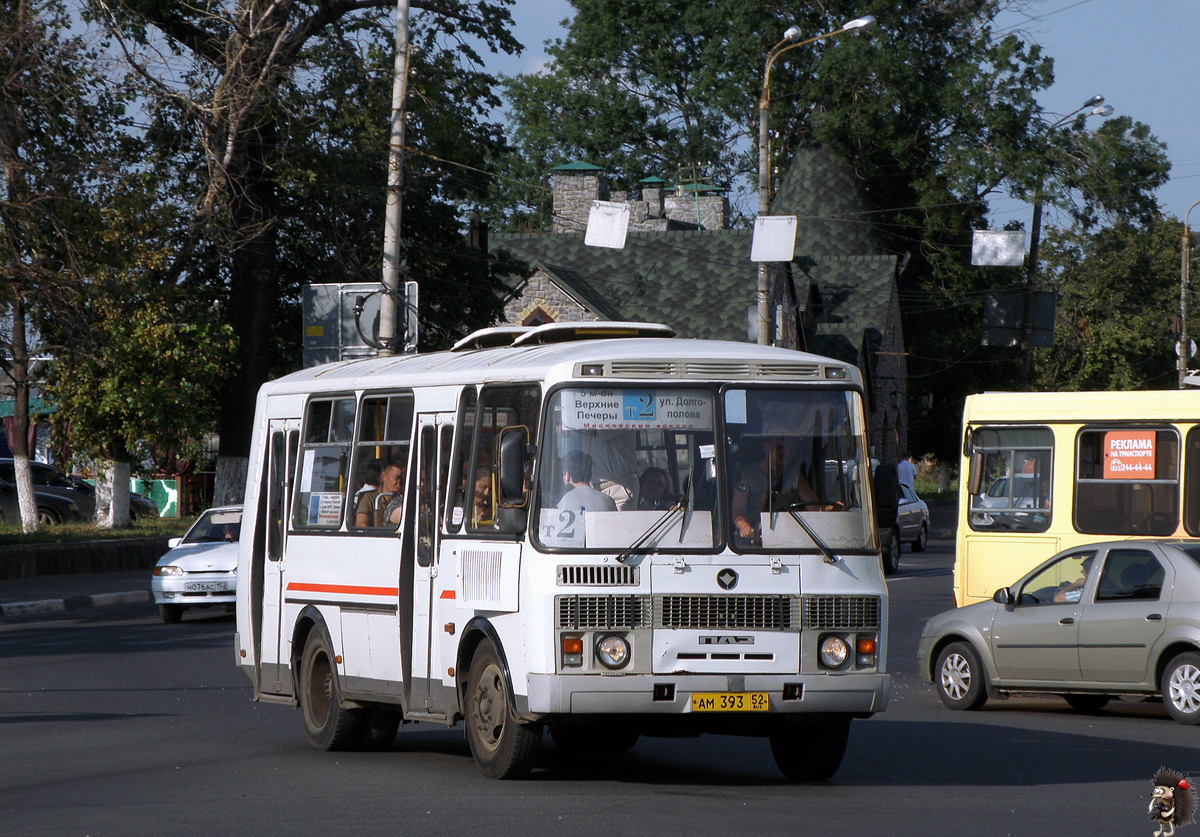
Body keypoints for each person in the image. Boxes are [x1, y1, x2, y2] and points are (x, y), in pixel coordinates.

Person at [355, 460, 404, 527]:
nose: (399, 482)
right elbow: (360, 523)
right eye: (396, 478)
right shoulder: (369, 498)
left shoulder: (403, 499)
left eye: (402, 479)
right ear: (383, 476)